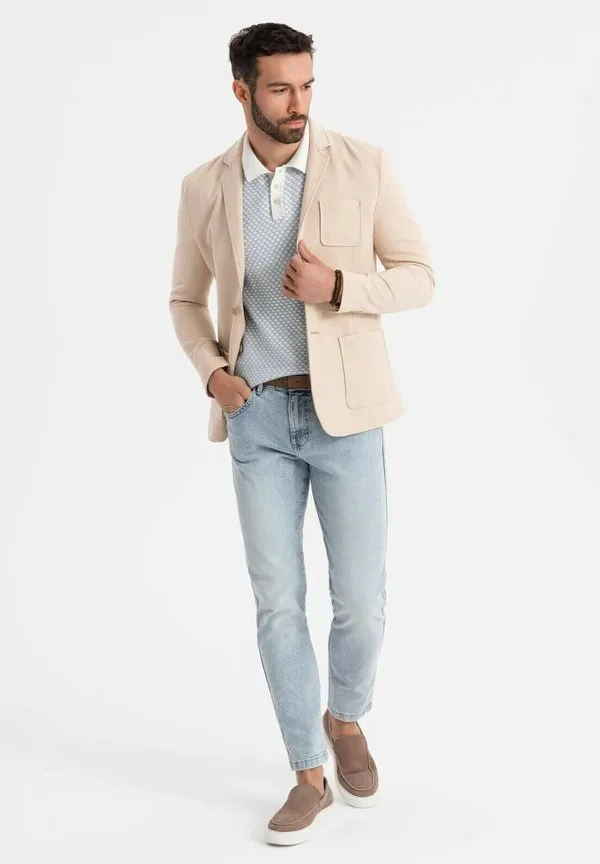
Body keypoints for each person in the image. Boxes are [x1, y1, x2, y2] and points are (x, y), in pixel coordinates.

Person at [169, 21, 435, 845]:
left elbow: (419, 277)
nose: (298, 104)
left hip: (346, 415)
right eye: (280, 88)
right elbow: (185, 298)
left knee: (362, 602)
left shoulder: (363, 164)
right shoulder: (206, 186)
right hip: (258, 417)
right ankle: (307, 773)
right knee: (278, 601)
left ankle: (344, 716)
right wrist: (211, 370)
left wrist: (340, 285)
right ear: (242, 90)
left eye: (308, 85)